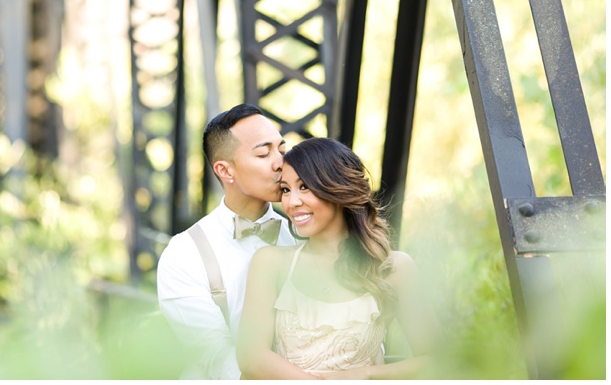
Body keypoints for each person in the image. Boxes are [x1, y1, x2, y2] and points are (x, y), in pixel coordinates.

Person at [237, 137, 443, 379]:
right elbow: (251, 357)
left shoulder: (394, 268)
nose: (292, 202)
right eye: (285, 190)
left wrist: (367, 375)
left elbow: (438, 361)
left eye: (304, 187)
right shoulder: (270, 263)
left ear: (337, 186)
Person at [156, 103, 298, 379]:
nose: (280, 162)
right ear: (225, 170)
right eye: (263, 153)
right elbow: (215, 357)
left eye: (282, 149)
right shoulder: (185, 253)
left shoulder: (300, 230)